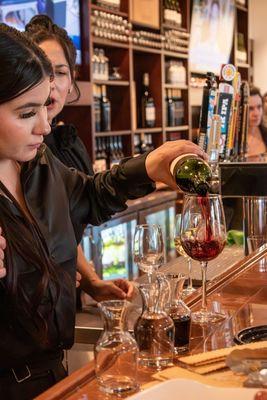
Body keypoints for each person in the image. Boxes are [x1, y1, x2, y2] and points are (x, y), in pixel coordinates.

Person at [0, 24, 204, 399]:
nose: (45, 126)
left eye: (44, 106)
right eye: (27, 113)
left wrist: (149, 166)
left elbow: (88, 197)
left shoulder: (38, 162)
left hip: (52, 374)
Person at [25, 15, 133, 302]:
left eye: (60, 72)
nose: (51, 84)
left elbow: (62, 225)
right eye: (40, 70)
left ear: (72, 79)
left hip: (59, 299)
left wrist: (91, 282)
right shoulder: (16, 150)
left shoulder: (67, 144)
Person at [247, 86, 267, 160]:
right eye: (250, 109)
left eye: (259, 107)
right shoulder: (231, 139)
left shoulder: (265, 133)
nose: (256, 113)